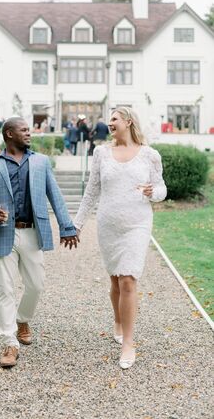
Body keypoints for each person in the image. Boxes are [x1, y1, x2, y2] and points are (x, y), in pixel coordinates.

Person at [0, 117, 78, 368]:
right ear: (9, 134)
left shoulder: (40, 162)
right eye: (24, 130)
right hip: (2, 233)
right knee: (4, 288)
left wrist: (67, 227)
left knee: (36, 285)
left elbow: (55, 195)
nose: (29, 133)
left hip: (32, 232)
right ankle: (10, 342)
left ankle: (23, 319)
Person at [74, 107, 167, 370]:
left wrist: (153, 192)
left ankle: (128, 342)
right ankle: (118, 320)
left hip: (137, 224)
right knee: (115, 280)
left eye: (114, 118)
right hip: (108, 225)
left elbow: (161, 189)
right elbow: (92, 191)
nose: (109, 123)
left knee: (128, 280)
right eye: (109, 119)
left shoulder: (150, 155)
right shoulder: (101, 153)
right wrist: (77, 225)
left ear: (128, 121)